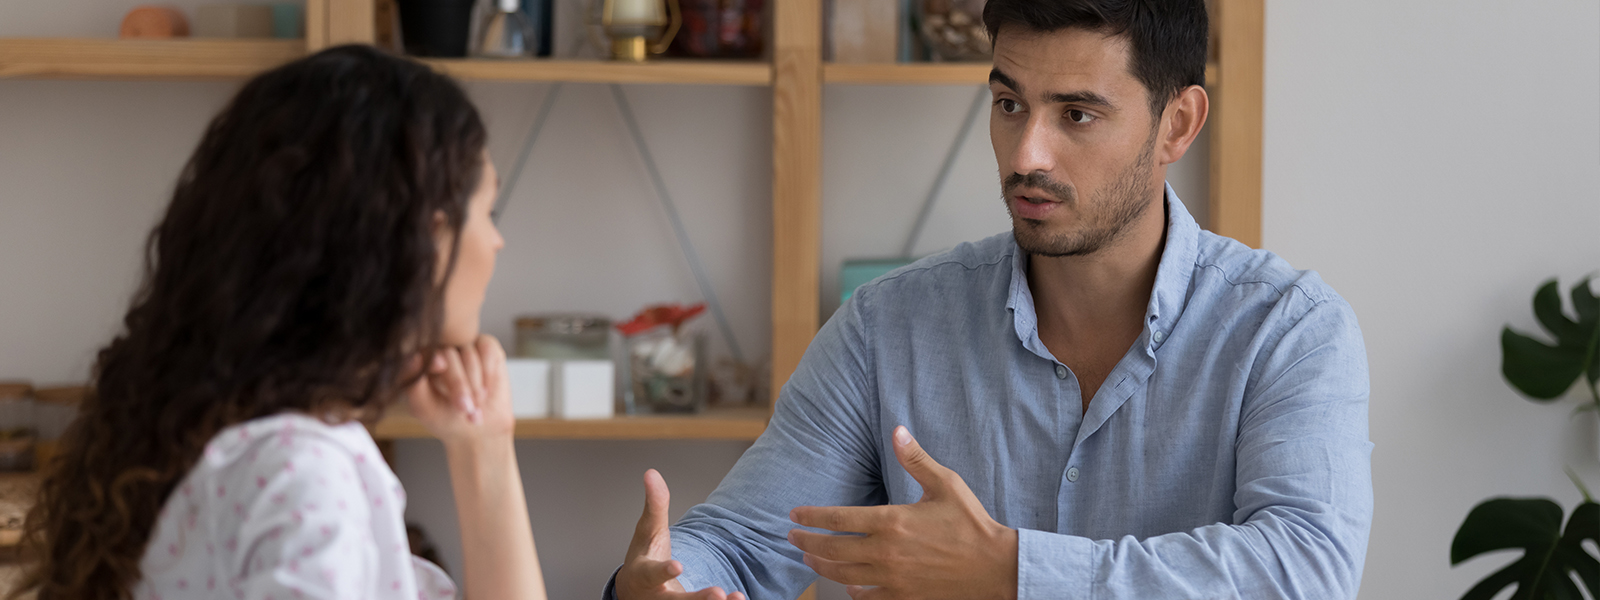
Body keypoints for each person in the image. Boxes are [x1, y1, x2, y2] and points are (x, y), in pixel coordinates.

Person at [610, 1, 1372, 599]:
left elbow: (1304, 572)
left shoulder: (1290, 332)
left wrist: (1011, 572)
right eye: (1010, 104)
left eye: (1077, 114)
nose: (1027, 155)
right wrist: (659, 583)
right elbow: (744, 544)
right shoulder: (885, 329)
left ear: (1177, 123)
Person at [15, 45, 547, 600]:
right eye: (488, 212)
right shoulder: (303, 478)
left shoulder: (251, 450)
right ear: (425, 242)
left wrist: (483, 446)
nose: (496, 240)